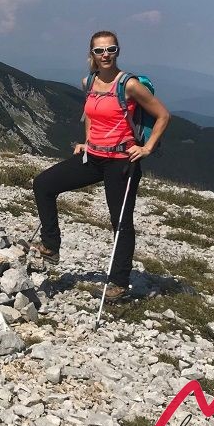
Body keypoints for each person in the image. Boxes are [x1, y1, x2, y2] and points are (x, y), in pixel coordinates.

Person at [31, 30, 171, 301]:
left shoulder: (129, 85)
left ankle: (119, 283)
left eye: (111, 49)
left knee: (120, 222)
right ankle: (51, 246)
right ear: (92, 54)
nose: (105, 55)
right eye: (99, 50)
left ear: (118, 51)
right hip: (93, 157)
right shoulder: (89, 82)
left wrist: (147, 148)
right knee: (43, 184)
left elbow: (163, 115)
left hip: (121, 162)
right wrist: (87, 142)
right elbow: (90, 116)